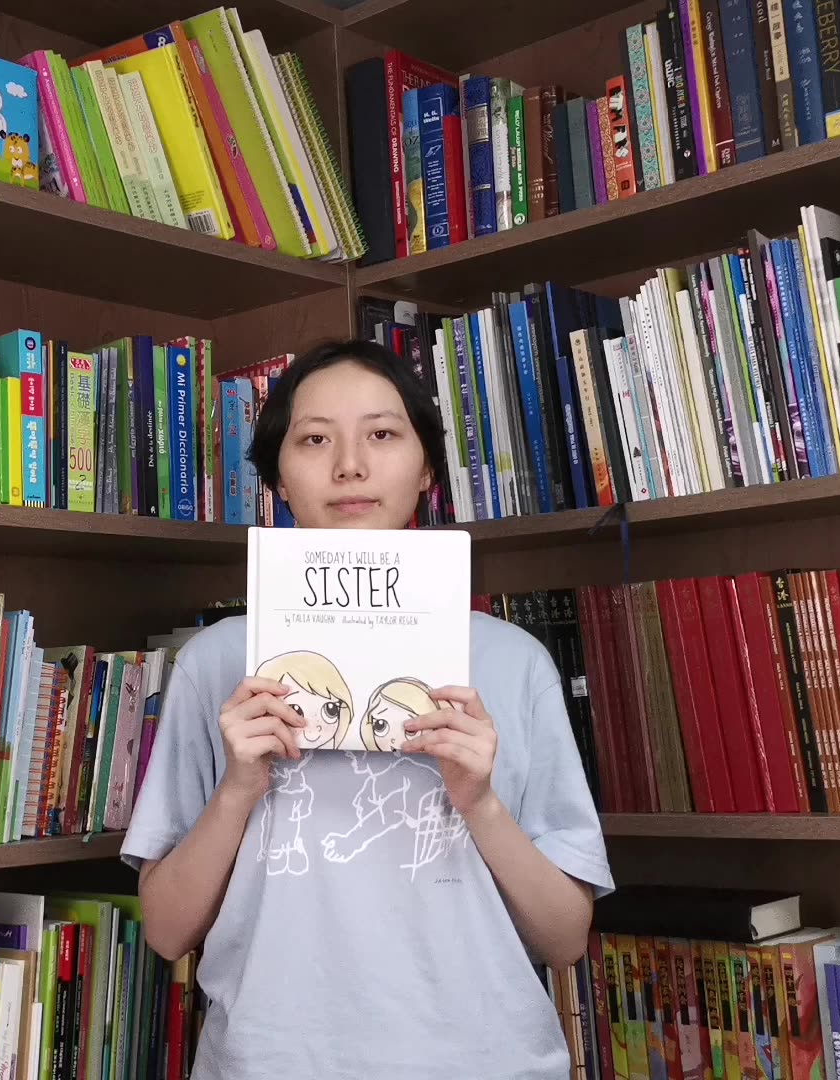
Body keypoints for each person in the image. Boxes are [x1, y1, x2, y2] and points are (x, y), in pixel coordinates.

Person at [120, 339, 613, 1079]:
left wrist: (478, 801)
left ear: (427, 469)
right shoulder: (217, 663)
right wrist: (237, 790)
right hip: (268, 1062)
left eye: (382, 434)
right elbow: (164, 930)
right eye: (314, 439)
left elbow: (566, 938)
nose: (349, 465)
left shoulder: (514, 662)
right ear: (278, 481)